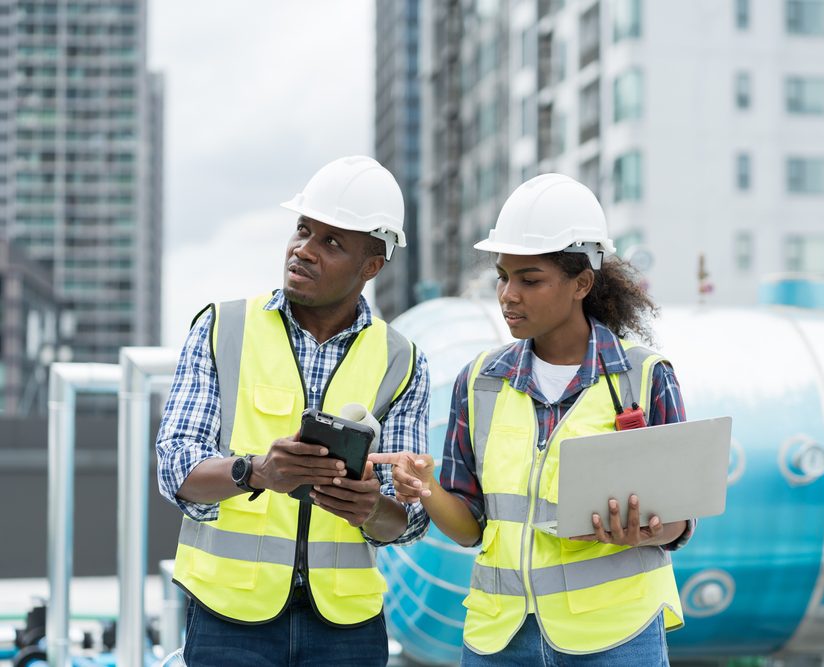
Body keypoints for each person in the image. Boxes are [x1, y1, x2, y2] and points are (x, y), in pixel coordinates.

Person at [371, 173, 694, 665]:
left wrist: (647, 529)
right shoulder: (479, 382)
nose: (508, 295)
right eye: (503, 276)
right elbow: (470, 530)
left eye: (530, 280)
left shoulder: (644, 377)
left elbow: (678, 521)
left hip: (615, 638)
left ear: (582, 282)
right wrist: (426, 489)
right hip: (501, 641)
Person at [155, 156, 430, 667]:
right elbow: (175, 469)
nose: (303, 249)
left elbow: (408, 520)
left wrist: (369, 506)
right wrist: (256, 471)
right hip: (227, 619)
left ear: (372, 265)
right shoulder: (222, 328)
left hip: (347, 630)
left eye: (331, 242)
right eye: (303, 229)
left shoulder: (402, 361)